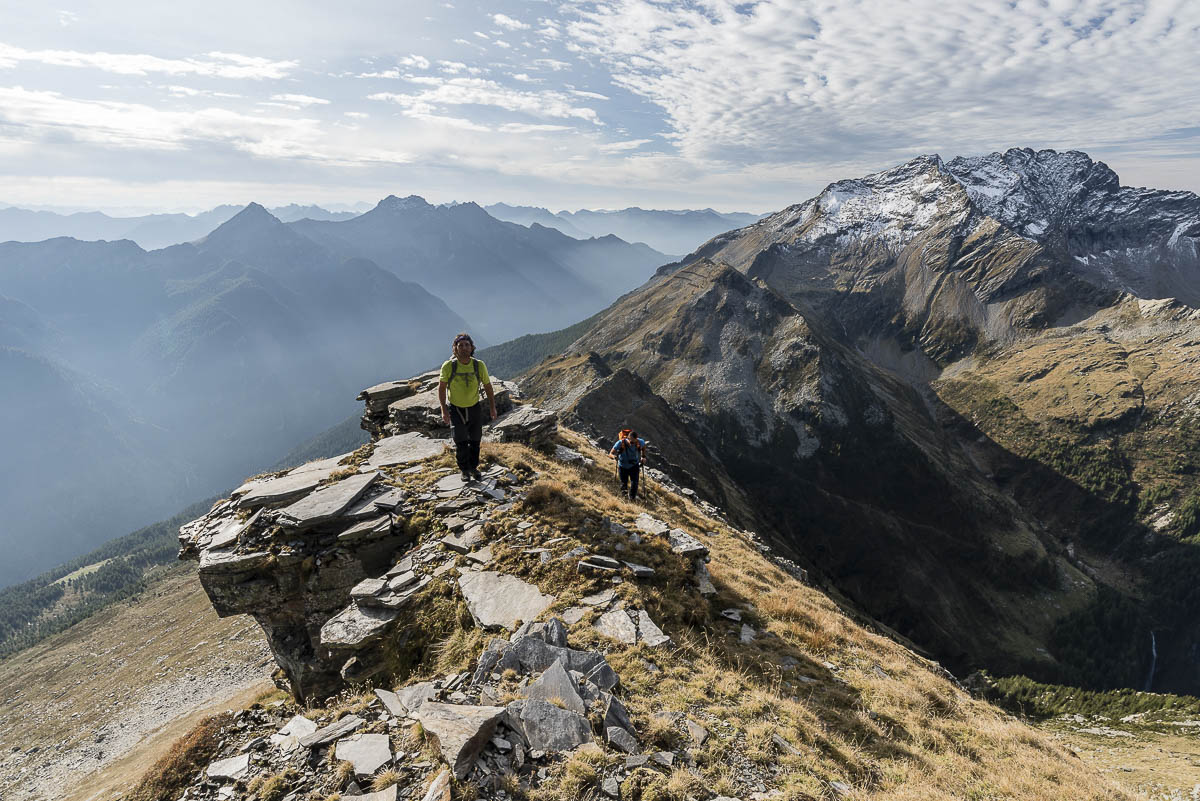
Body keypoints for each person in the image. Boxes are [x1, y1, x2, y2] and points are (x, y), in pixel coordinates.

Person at [438, 333, 497, 482]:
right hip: (456, 409)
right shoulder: (449, 366)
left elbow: (488, 387)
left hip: (474, 407)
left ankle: (473, 468)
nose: (464, 348)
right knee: (461, 440)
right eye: (460, 345)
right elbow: (441, 388)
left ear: (472, 348)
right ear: (455, 349)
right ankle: (464, 470)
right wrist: (444, 410)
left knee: (475, 440)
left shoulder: (478, 365)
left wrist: (492, 408)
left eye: (467, 345)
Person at [609, 429, 647, 500]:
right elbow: (610, 453)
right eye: (631, 442)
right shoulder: (620, 443)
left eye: (634, 442)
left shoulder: (639, 442)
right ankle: (625, 499)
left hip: (634, 465)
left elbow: (644, 447)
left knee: (635, 483)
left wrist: (643, 456)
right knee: (624, 484)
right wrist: (614, 457)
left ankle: (632, 499)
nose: (633, 444)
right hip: (622, 466)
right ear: (628, 438)